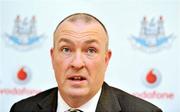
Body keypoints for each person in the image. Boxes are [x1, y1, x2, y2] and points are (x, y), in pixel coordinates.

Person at [10, 13, 163, 112]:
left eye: (90, 50)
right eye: (66, 49)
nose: (77, 63)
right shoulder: (21, 109)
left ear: (106, 59)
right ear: (52, 57)